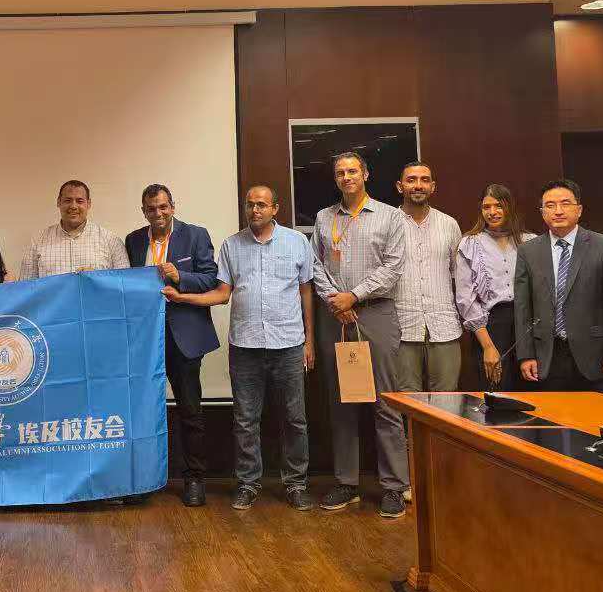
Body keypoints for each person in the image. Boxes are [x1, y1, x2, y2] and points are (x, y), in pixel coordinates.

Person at [163, 185, 312, 512]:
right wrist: (182, 296)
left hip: (289, 344)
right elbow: (221, 294)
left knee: (294, 418)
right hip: (245, 345)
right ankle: (248, 483)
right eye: (249, 205)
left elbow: (305, 293)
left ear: (275, 208)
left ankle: (296, 484)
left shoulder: (297, 242)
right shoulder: (232, 245)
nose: (255, 210)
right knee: (245, 419)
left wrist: (309, 342)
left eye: (261, 205)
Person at [310, 152, 409, 519]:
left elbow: (394, 266)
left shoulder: (390, 216)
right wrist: (336, 301)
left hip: (376, 313)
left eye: (353, 171)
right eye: (340, 172)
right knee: (342, 401)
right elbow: (315, 265)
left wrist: (354, 295)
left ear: (365, 174)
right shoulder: (324, 217)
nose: (346, 177)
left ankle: (394, 486)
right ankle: (346, 482)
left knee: (385, 401)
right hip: (335, 316)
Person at [126, 184, 220, 507]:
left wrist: (180, 277)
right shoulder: (133, 240)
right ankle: (143, 480)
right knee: (142, 410)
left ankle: (194, 478)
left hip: (184, 337)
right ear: (144, 211)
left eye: (163, 207)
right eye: (151, 208)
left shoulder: (195, 235)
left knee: (190, 411)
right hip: (145, 338)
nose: (158, 213)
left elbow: (210, 279)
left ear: (173, 206)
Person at [515, 180, 603, 392]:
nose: (558, 211)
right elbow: (522, 307)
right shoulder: (528, 251)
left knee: (596, 413)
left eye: (565, 203)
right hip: (546, 356)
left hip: (595, 355)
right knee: (552, 413)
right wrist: (525, 354)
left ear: (579, 209)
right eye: (550, 205)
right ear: (542, 212)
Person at [454, 184, 536, 391]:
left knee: (532, 395)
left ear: (510, 207)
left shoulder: (531, 242)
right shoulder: (470, 244)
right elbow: (466, 299)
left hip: (528, 325)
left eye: (498, 205)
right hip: (491, 328)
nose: (492, 212)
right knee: (498, 394)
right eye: (486, 207)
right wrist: (488, 347)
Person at [394, 163, 463, 393]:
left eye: (424, 180)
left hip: (444, 327)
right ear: (400, 186)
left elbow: (458, 275)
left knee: (446, 400)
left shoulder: (449, 224)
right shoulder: (387, 224)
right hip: (402, 327)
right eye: (411, 180)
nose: (418, 185)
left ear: (433, 186)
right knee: (406, 401)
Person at [19, 180, 131, 279]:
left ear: (88, 204)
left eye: (79, 201)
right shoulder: (38, 241)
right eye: (68, 200)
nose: (73, 206)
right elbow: (26, 287)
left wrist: (98, 278)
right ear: (58, 202)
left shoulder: (111, 241)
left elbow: (124, 284)